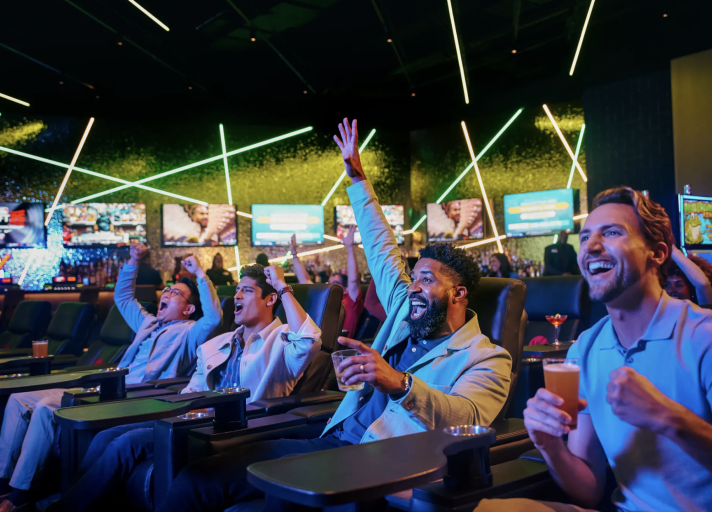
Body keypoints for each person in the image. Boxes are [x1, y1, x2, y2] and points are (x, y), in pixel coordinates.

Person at [154, 118, 513, 512]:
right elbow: (381, 248)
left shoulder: (488, 357)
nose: (412, 286)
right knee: (200, 478)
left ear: (458, 293)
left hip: (382, 466)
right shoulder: (403, 311)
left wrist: (399, 383)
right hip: (334, 442)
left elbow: (468, 417)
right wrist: (358, 180)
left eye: (425, 279)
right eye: (414, 278)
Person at [477, 187, 712, 512]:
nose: (591, 247)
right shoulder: (585, 348)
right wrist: (549, 447)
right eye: (584, 238)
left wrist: (670, 419)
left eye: (612, 232)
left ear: (657, 253)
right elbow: (587, 490)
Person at [48, 263, 322, 512]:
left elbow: (310, 340)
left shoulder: (283, 340)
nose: (237, 296)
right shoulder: (217, 344)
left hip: (237, 427)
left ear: (270, 299)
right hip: (192, 419)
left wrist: (282, 286)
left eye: (247, 291)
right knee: (107, 435)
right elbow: (193, 390)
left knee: (126, 444)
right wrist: (170, 412)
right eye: (237, 290)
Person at [0, 244, 221, 512]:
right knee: (18, 400)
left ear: (188, 309)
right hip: (107, 386)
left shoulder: (189, 333)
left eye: (176, 293)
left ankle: (20, 492)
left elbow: (213, 317)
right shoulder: (147, 322)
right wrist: (133, 260)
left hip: (134, 395)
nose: (167, 292)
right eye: (167, 289)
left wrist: (199, 272)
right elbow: (125, 299)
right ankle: (3, 478)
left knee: (46, 406)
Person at [291, 227, 366, 337]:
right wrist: (294, 254)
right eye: (329, 283)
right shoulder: (326, 298)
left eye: (335, 283)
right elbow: (305, 280)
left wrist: (350, 248)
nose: (331, 287)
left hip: (339, 348)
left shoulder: (350, 300)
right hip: (319, 344)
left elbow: (353, 281)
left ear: (346, 289)